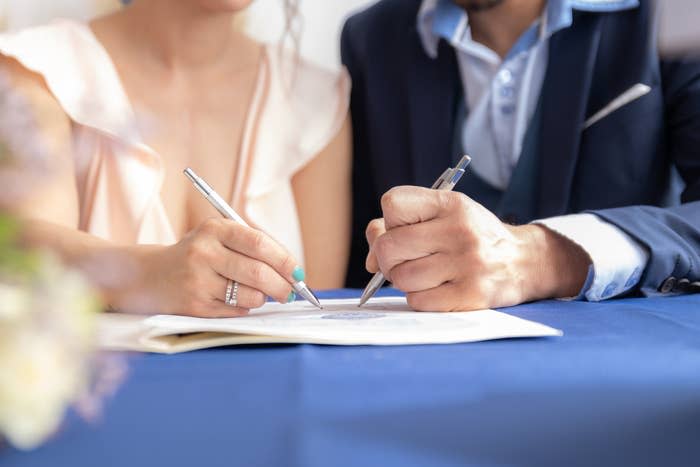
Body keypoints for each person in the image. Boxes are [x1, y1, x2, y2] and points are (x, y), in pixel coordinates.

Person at [342, 0, 700, 311]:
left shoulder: (674, 14)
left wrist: (544, 258)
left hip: (623, 361)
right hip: (436, 366)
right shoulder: (372, 38)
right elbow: (359, 254)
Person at [0, 0, 351, 316]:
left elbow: (315, 318)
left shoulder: (313, 100)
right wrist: (144, 275)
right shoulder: (35, 71)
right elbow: (19, 250)